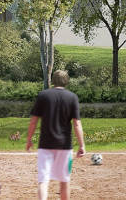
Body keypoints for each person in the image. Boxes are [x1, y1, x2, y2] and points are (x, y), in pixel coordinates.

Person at [25, 70, 85, 200]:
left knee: (43, 181)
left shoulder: (43, 96)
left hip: (45, 144)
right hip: (65, 146)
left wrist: (29, 139)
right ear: (66, 81)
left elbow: (34, 121)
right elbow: (77, 124)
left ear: (53, 81)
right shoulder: (72, 97)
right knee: (64, 181)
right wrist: (82, 145)